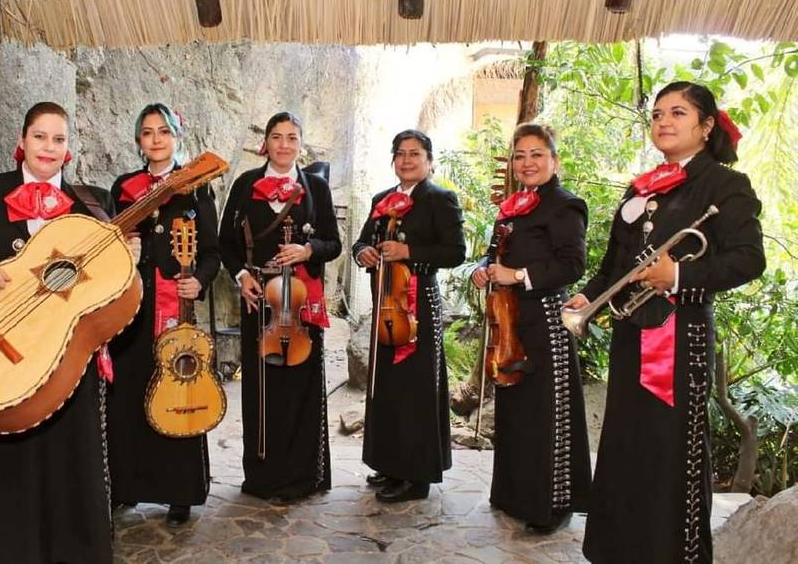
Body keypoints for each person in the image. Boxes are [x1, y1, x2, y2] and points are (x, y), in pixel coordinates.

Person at [565, 82, 765, 563]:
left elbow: (749, 260)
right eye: (657, 114)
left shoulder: (724, 184)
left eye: (678, 112)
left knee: (670, 450)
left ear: (706, 125)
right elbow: (617, 265)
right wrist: (588, 297)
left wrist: (679, 274)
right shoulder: (643, 187)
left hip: (682, 336)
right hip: (633, 334)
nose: (664, 122)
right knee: (626, 444)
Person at [0, 102, 135, 564]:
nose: (49, 147)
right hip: (10, 351)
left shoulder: (92, 205)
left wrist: (127, 256)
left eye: (59, 139)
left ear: (68, 150)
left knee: (76, 454)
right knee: (15, 452)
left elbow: (108, 282)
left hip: (70, 350)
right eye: (40, 137)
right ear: (23, 140)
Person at [469, 123, 591, 532]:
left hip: (545, 322)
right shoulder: (511, 208)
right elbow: (491, 257)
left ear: (554, 160)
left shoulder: (566, 205)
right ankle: (514, 495)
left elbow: (572, 265)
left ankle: (552, 507)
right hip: (509, 321)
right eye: (520, 155)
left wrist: (517, 275)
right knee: (515, 412)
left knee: (546, 414)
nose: (527, 163)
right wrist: (484, 272)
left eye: (537, 154)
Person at [107, 103, 221, 527]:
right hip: (131, 304)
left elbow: (212, 251)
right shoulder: (124, 187)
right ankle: (128, 487)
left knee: (180, 389)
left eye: (163, 131)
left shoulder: (196, 186)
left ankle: (180, 492)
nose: (155, 139)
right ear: (139, 140)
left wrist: (201, 280)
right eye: (147, 132)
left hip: (177, 306)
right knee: (130, 391)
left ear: (176, 136)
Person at [218, 111, 341, 502]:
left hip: (301, 300)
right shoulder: (245, 184)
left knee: (301, 388)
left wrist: (307, 249)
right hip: (260, 300)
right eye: (277, 136)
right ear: (265, 143)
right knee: (261, 388)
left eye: (291, 137)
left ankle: (303, 477)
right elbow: (225, 243)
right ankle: (263, 476)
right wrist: (242, 277)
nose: (284, 144)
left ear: (300, 144)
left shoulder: (316, 188)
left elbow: (333, 244)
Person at [354, 129, 465, 502]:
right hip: (386, 302)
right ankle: (389, 464)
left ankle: (416, 476)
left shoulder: (440, 199)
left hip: (420, 306)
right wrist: (363, 254)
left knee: (415, 388)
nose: (407, 160)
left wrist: (408, 251)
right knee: (386, 387)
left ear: (429, 160)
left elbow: (455, 253)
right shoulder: (380, 199)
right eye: (400, 153)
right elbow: (360, 242)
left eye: (415, 154)